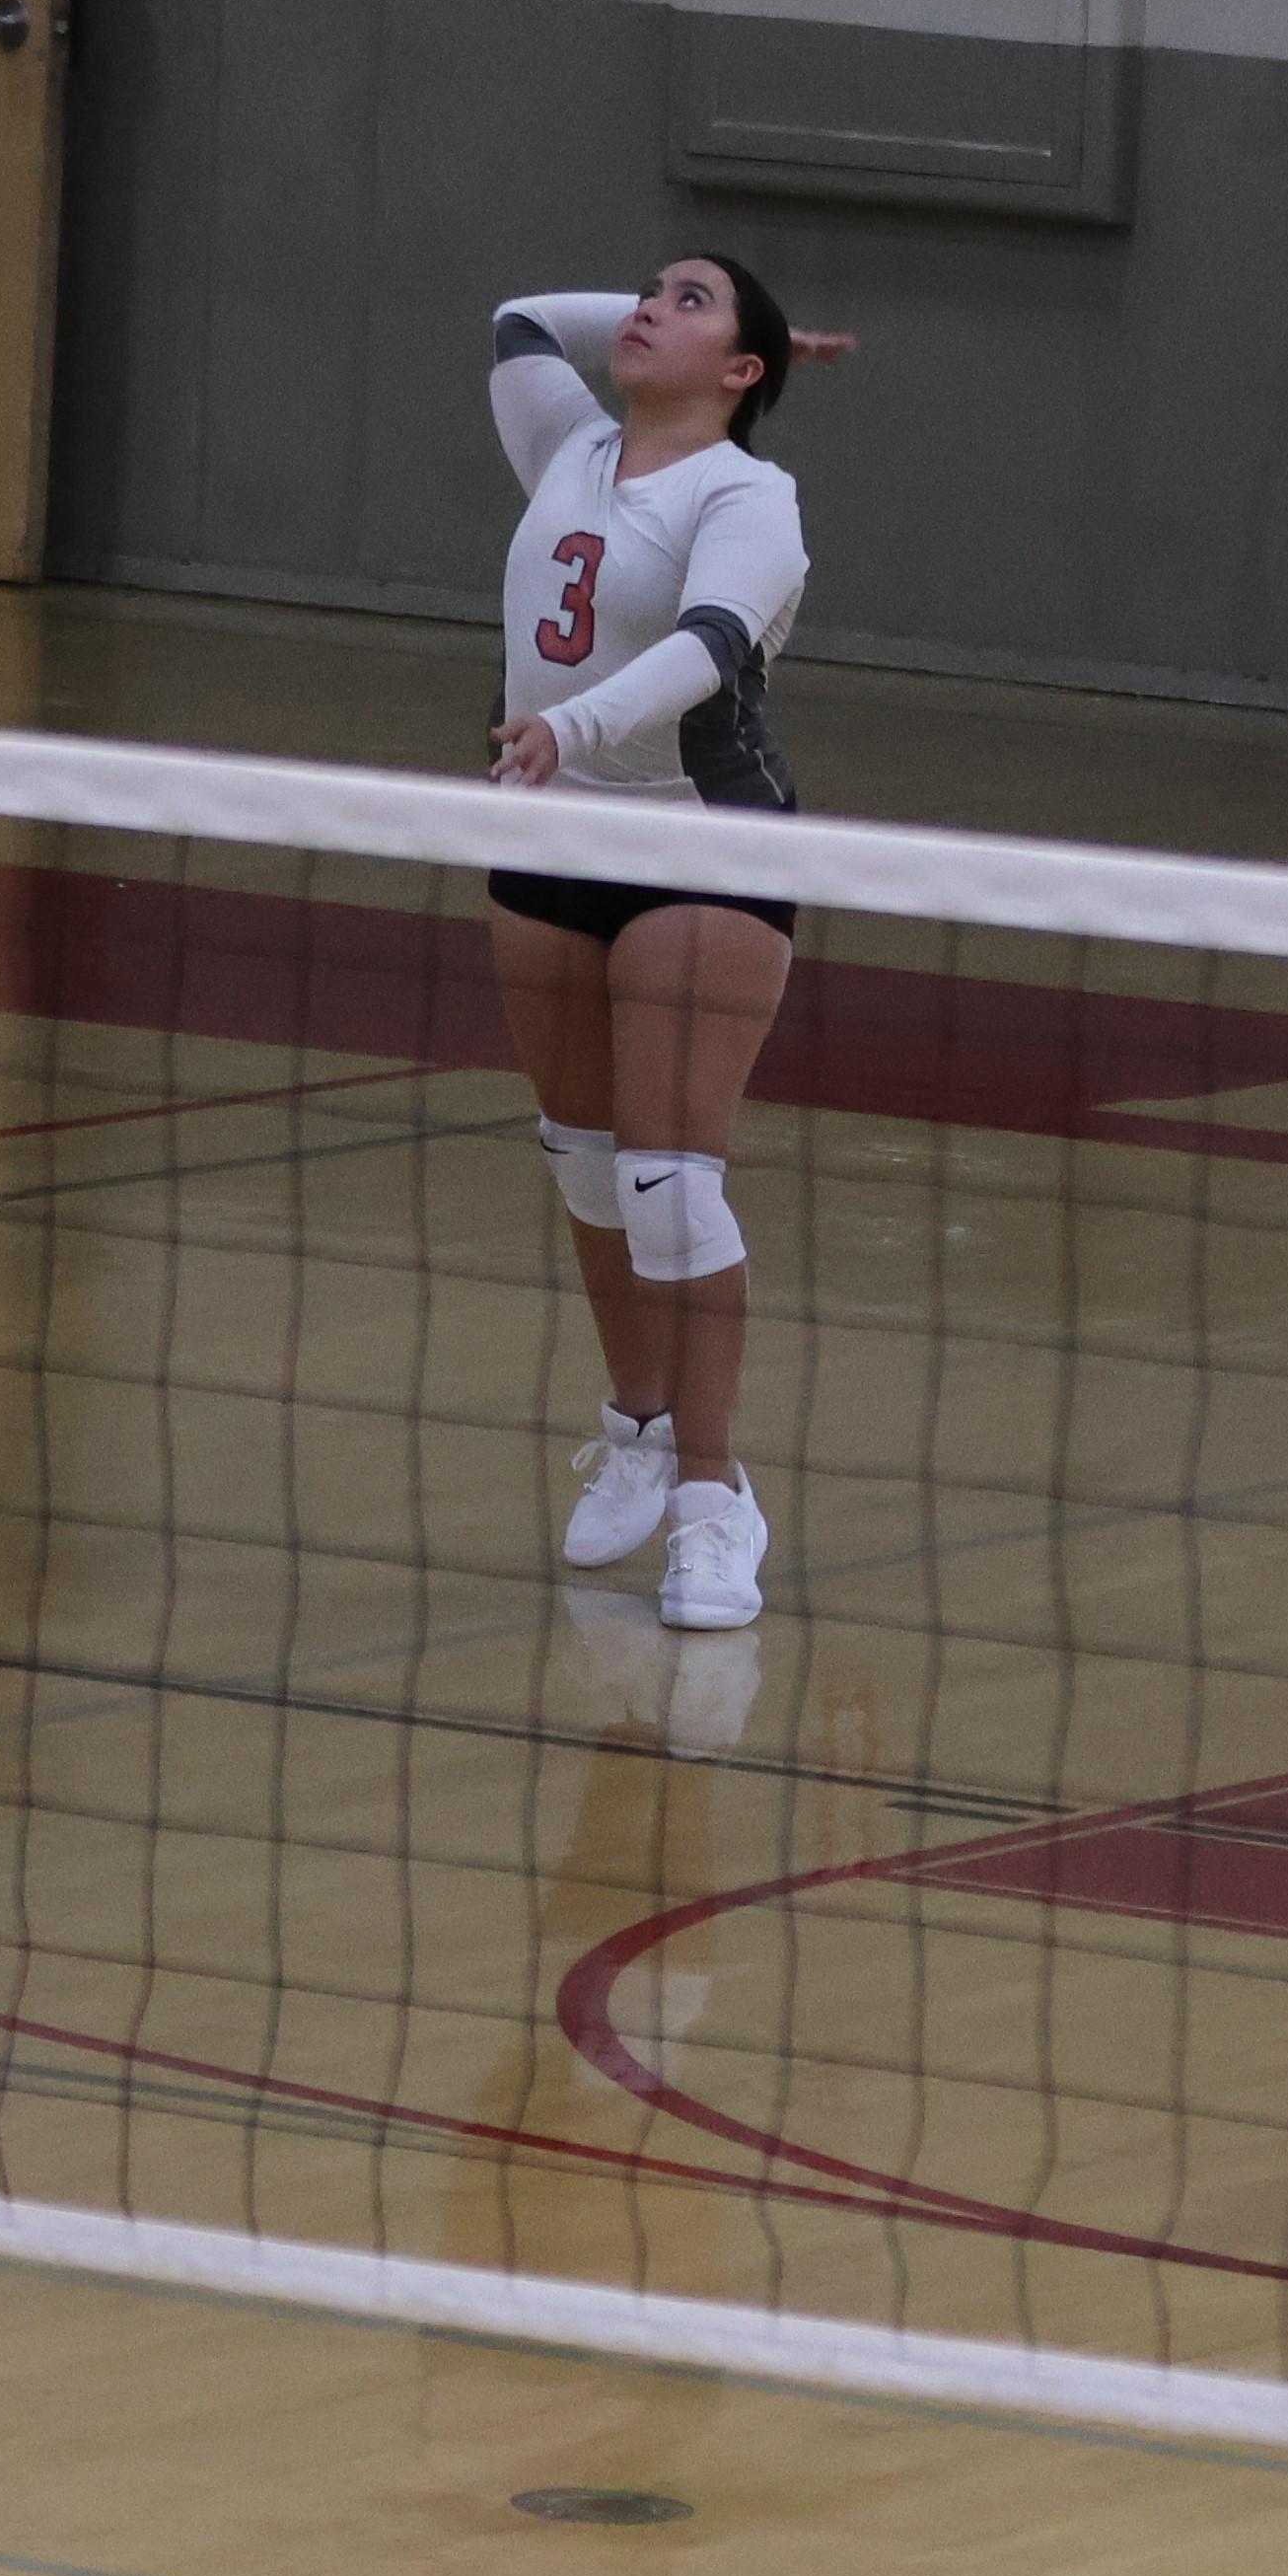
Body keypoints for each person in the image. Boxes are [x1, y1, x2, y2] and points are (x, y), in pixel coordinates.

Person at [486, 258, 852, 1632]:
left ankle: (715, 1500)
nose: (646, 308)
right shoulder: (566, 445)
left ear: (742, 374)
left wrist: (571, 730)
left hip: (702, 843)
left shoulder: (750, 497)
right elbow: (521, 321)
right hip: (546, 844)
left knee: (669, 1182)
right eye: (646, 290)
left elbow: (705, 644)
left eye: (689, 301)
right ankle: (637, 1422)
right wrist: (728, 324)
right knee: (585, 1170)